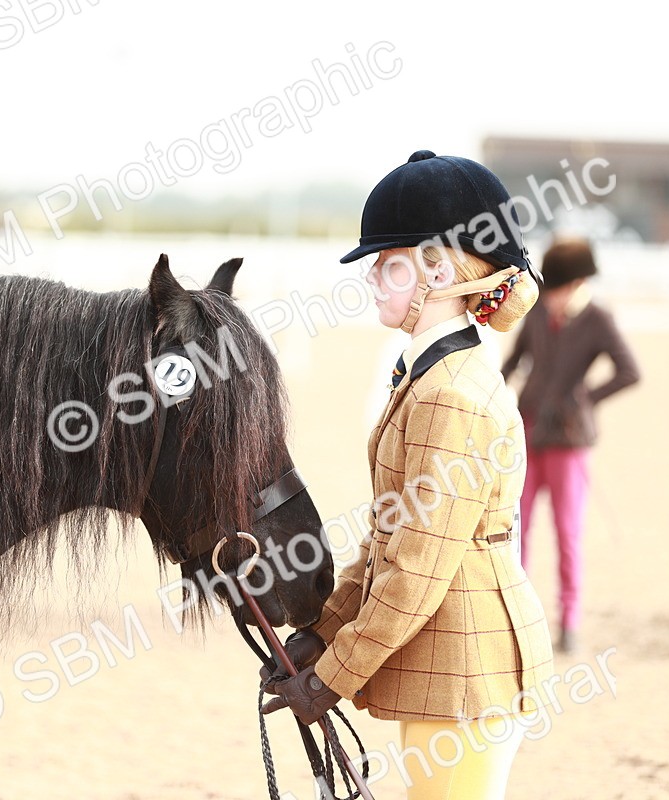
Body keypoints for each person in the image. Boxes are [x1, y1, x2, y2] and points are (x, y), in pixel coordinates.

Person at [263, 150, 555, 799]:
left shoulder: (447, 395)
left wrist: (331, 676)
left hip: (464, 664)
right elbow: (389, 536)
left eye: (387, 263)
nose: (370, 275)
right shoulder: (428, 374)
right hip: (450, 662)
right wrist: (323, 630)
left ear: (440, 271)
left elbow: (416, 569)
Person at [500, 238, 640, 653]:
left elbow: (629, 371)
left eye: (559, 288)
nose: (552, 297)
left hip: (569, 441)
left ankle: (570, 622)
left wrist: (585, 399)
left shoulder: (598, 319)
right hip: (527, 432)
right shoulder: (538, 312)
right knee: (516, 528)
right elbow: (513, 362)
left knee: (568, 533)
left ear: (578, 283)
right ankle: (514, 619)